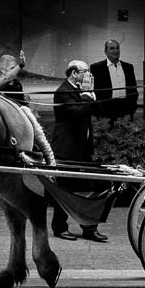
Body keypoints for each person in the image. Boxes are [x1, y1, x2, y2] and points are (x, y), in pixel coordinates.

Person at [50, 60, 108, 242]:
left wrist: (91, 93)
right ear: (74, 73)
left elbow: (99, 110)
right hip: (67, 149)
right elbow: (76, 112)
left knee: (95, 186)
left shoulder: (83, 91)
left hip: (84, 148)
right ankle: (59, 227)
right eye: (86, 71)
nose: (89, 75)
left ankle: (89, 228)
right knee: (65, 189)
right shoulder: (62, 91)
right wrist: (85, 95)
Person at [92, 38, 138, 119]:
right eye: (112, 48)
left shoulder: (128, 67)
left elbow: (133, 89)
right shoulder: (97, 68)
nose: (115, 51)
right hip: (106, 110)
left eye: (117, 48)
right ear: (105, 52)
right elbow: (96, 91)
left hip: (126, 109)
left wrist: (132, 108)